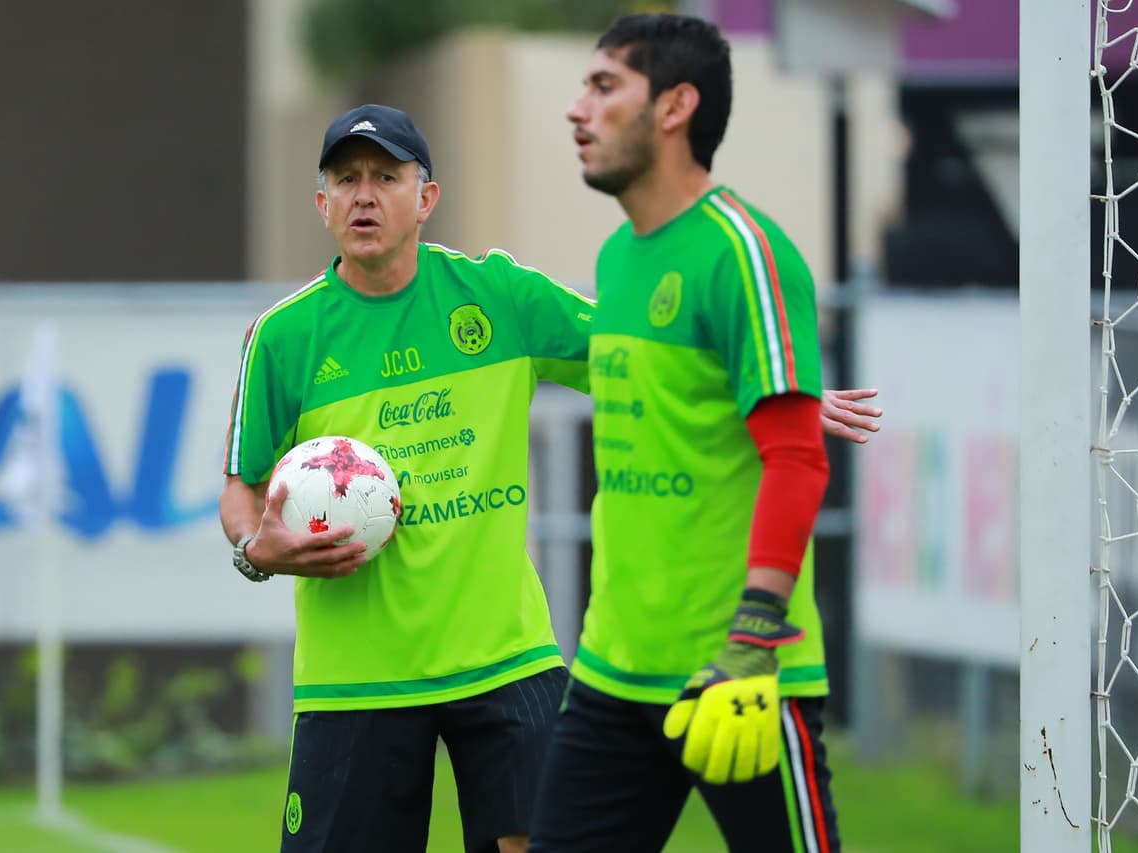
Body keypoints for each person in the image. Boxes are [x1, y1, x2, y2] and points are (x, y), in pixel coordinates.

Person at [220, 102, 875, 853]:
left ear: (425, 198)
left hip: (507, 660)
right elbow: (241, 488)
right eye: (346, 179)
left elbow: (642, 352)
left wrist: (770, 379)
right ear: (322, 203)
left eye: (385, 177)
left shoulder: (497, 296)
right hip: (353, 680)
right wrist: (254, 549)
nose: (364, 195)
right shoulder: (283, 336)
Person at [529, 13, 849, 852]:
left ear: (675, 106)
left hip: (740, 678)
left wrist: (753, 636)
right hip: (612, 671)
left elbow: (798, 456)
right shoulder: (615, 258)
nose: (577, 110)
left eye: (603, 87)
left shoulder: (744, 253)